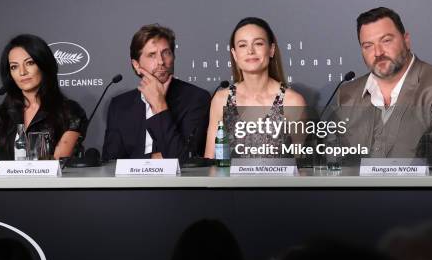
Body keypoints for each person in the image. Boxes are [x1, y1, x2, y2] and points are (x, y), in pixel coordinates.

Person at [337, 7, 432, 160]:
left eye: (386, 40)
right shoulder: (347, 93)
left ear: (406, 40)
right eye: (368, 46)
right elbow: (337, 161)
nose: (378, 52)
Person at [102, 24, 211, 160]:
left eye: (166, 53)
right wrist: (153, 159)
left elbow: (185, 160)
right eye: (152, 55)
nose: (161, 61)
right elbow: (111, 162)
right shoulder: (120, 105)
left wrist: (159, 105)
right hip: (132, 181)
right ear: (136, 65)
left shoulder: (196, 98)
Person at [204, 17, 306, 159]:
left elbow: (300, 165)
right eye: (242, 45)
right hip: (231, 182)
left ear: (271, 50)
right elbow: (211, 160)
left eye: (258, 43)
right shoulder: (221, 100)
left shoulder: (292, 101)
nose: (250, 51)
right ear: (234, 54)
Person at [0, 34, 87, 161]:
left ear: (44, 64)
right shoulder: (0, 115)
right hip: (7, 181)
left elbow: (60, 160)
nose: (22, 72)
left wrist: (4, 150)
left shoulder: (69, 111)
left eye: (30, 63)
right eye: (14, 67)